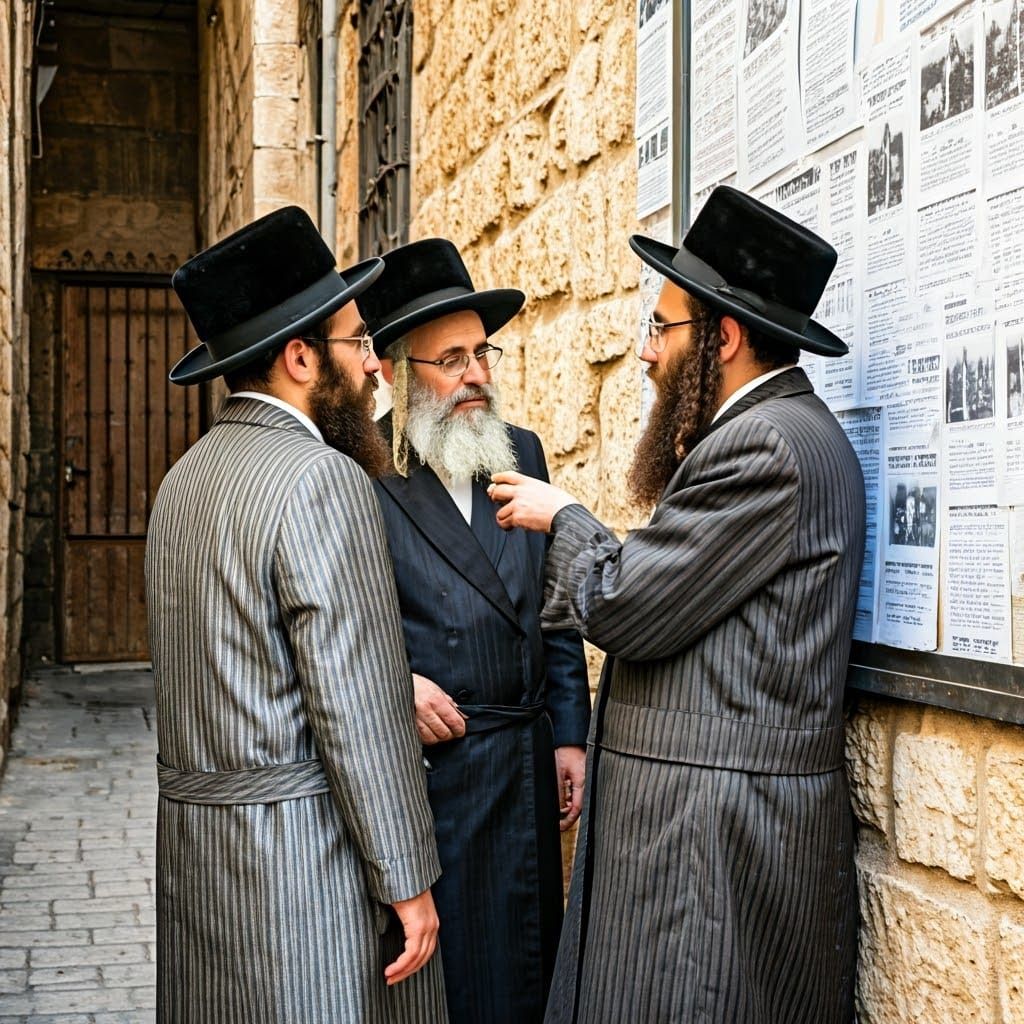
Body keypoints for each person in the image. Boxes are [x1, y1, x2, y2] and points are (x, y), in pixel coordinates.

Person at [490, 185, 866, 1024]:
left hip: (709, 850)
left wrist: (564, 517)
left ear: (722, 338)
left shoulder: (766, 446)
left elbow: (625, 602)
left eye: (661, 328)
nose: (646, 351)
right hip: (705, 836)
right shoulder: (771, 434)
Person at [145, 207, 446, 1023]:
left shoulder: (182, 482)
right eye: (359, 341)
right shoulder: (323, 479)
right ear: (301, 357)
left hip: (200, 865)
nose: (375, 365)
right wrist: (407, 878)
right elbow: (356, 706)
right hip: (302, 871)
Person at [356, 237, 592, 1024]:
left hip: (523, 765)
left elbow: (554, 605)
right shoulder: (359, 470)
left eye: (482, 352)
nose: (477, 375)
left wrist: (569, 735)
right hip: (437, 784)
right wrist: (393, 683)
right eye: (452, 359)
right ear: (398, 373)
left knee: (526, 978)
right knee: (453, 987)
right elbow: (332, 625)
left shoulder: (521, 451)